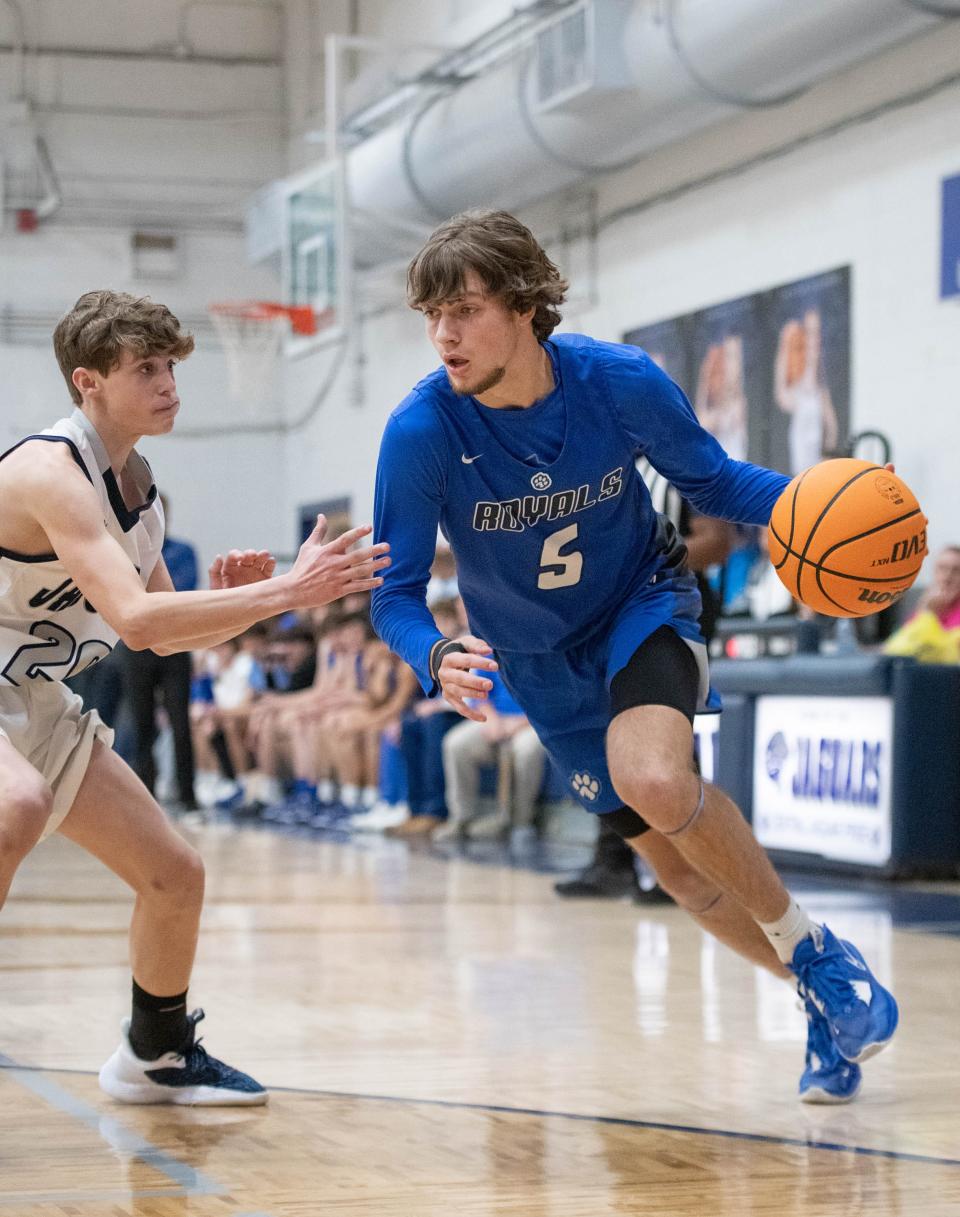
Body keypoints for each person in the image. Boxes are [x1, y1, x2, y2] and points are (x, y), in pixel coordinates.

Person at [371, 210, 897, 1105]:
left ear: (529, 306)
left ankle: (816, 952)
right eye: (432, 315)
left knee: (653, 775)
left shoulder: (617, 381)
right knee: (685, 878)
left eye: (463, 309)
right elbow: (393, 594)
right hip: (539, 665)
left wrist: (826, 506)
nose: (444, 335)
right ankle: (822, 990)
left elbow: (717, 483)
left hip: (638, 603)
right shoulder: (422, 431)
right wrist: (435, 652)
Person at [0, 289, 389, 1105]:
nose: (169, 382)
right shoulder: (50, 471)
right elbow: (137, 616)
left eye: (171, 365)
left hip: (28, 690)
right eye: (146, 367)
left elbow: (167, 634)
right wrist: (284, 590)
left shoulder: (135, 481)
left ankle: (157, 1053)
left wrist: (237, 598)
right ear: (88, 381)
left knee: (175, 872)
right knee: (15, 806)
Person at [555, 459, 733, 901]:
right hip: (603, 608)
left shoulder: (677, 457)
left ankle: (696, 865)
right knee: (605, 729)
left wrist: (634, 562)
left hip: (672, 601)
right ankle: (613, 860)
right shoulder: (591, 458)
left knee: (668, 730)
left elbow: (717, 543)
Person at [119, 492, 200, 811]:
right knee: (141, 723)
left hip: (176, 644)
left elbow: (180, 593)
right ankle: (146, 798)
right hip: (138, 646)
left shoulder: (182, 552)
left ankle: (188, 797)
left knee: (181, 722)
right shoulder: (124, 554)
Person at [435, 668, 546, 844]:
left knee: (525, 749)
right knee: (455, 744)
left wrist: (518, 723)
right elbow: (479, 692)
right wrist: (493, 720)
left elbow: (551, 701)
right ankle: (461, 818)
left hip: (533, 722)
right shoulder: (490, 648)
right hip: (496, 718)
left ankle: (521, 822)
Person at [774, 308, 839, 476]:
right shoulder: (796, 377)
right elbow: (783, 399)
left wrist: (829, 452)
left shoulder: (820, 380)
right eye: (809, 333)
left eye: (817, 333)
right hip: (802, 448)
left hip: (819, 451)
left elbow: (830, 421)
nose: (813, 341)